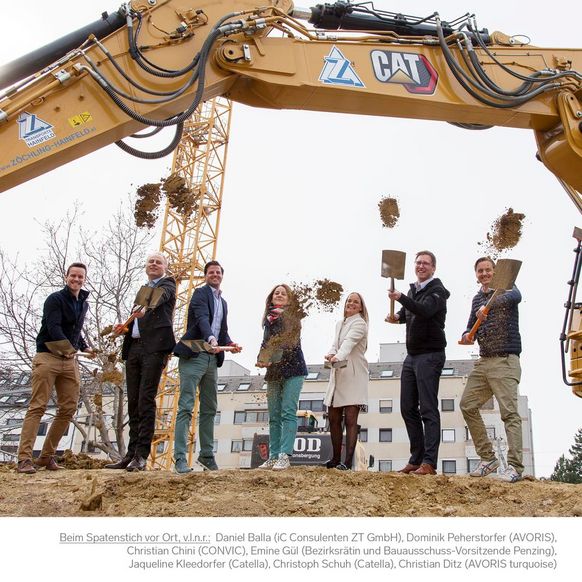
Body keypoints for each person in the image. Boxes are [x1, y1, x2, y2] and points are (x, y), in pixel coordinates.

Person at [17, 263, 92, 474]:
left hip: (69, 362)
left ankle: (46, 456)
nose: (76, 279)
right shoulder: (55, 299)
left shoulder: (83, 304)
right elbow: (54, 327)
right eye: (73, 276)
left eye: (80, 277)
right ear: (66, 277)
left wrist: (85, 346)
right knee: (37, 406)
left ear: (84, 279)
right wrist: (67, 347)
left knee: (68, 408)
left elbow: (75, 330)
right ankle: (24, 459)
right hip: (48, 357)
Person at [105, 252, 176, 472]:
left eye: (158, 262)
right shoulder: (142, 291)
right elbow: (140, 318)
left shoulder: (167, 284)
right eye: (150, 262)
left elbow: (160, 299)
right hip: (134, 348)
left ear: (165, 267)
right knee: (133, 401)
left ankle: (141, 455)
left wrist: (144, 308)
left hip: (154, 349)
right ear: (145, 266)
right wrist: (125, 327)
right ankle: (130, 454)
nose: (154, 264)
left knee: (146, 399)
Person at [459, 257, 524, 482]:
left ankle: (515, 467)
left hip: (505, 360)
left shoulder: (506, 287)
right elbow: (470, 327)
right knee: (467, 404)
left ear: (495, 272)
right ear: (476, 274)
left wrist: (489, 306)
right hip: (484, 362)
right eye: (480, 271)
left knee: (509, 414)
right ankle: (488, 458)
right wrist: (466, 336)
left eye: (488, 270)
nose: (485, 274)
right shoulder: (477, 298)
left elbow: (516, 297)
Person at [173, 260, 241, 473]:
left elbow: (222, 330)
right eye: (211, 272)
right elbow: (202, 319)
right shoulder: (200, 294)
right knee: (186, 406)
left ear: (222, 275)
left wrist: (229, 343)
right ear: (205, 275)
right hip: (194, 355)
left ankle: (206, 455)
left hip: (212, 359)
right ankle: (180, 459)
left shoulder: (224, 302)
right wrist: (210, 337)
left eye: (218, 272)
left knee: (210, 408)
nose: (215, 274)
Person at [387, 250, 449, 476]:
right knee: (407, 408)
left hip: (430, 355)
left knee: (428, 409)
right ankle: (416, 458)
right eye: (418, 263)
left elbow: (424, 311)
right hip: (411, 356)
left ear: (433, 268)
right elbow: (408, 313)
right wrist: (397, 317)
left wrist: (401, 297)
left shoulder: (438, 291)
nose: (421, 266)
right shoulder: (414, 290)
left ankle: (430, 462)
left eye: (426, 263)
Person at [256, 284, 307, 471]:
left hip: (293, 369)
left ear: (289, 299)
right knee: (274, 415)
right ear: (271, 298)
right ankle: (273, 455)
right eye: (276, 293)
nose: (279, 295)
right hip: (274, 370)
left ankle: (285, 455)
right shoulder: (268, 320)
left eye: (283, 293)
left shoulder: (293, 317)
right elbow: (265, 344)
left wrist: (270, 355)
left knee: (287, 412)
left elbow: (288, 342)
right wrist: (262, 359)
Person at [323, 292, 369, 471]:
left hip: (354, 374)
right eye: (349, 300)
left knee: (350, 418)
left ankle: (347, 462)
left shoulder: (360, 323)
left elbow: (348, 345)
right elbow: (336, 344)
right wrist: (330, 354)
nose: (351, 303)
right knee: (333, 417)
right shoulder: (339, 323)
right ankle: (335, 458)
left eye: (356, 302)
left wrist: (336, 356)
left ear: (361, 307)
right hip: (338, 373)